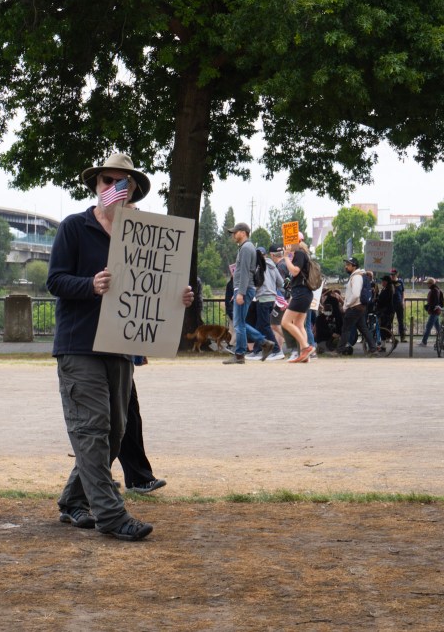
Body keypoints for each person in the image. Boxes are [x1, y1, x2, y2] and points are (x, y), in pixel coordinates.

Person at [47, 152, 194, 542]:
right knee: (92, 431)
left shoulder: (145, 237)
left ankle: (73, 502)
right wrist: (89, 285)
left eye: (121, 183)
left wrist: (176, 298)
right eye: (106, 182)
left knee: (113, 433)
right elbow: (55, 280)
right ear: (96, 187)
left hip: (121, 346)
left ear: (132, 192)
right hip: (80, 347)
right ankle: (111, 515)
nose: (113, 189)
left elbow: (152, 290)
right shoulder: (74, 228)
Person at [222, 223, 274, 364]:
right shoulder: (247, 247)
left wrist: (241, 292)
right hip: (243, 289)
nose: (233, 235)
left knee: (239, 324)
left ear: (243, 233)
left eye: (235, 232)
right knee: (241, 323)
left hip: (244, 289)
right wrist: (237, 291)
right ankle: (263, 343)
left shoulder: (245, 248)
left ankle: (240, 354)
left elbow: (244, 271)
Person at [116, 356, 166, 495]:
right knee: (98, 424)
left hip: (120, 358)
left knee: (130, 418)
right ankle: (95, 478)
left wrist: (137, 353)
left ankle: (137, 478)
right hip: (91, 359)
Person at [280, 240, 313, 363]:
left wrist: (286, 257)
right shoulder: (303, 254)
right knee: (299, 324)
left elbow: (295, 271)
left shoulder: (299, 254)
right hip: (305, 293)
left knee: (285, 322)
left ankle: (306, 347)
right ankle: (305, 355)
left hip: (300, 292)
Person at [337, 257, 378, 355]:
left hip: (354, 307)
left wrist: (346, 305)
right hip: (360, 307)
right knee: (363, 329)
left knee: (346, 328)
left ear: (354, 266)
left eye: (348, 265)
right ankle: (373, 348)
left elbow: (355, 295)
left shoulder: (356, 277)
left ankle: (340, 350)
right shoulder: (357, 276)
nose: (346, 267)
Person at [255, 246, 284, 360]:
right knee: (260, 324)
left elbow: (256, 283)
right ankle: (256, 350)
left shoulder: (257, 266)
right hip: (272, 298)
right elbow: (281, 283)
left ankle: (276, 349)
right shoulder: (273, 266)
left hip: (262, 297)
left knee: (265, 325)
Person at [419, 278, 444, 346]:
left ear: (431, 284)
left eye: (428, 283)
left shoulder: (434, 291)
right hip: (436, 310)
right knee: (437, 327)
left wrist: (429, 307)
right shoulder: (437, 290)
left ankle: (424, 342)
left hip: (434, 311)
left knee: (428, 326)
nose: (427, 285)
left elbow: (434, 302)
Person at [390, 268, 407, 340]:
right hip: (391, 304)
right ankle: (388, 337)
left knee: (401, 321)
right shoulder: (389, 282)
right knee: (389, 321)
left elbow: (403, 292)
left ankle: (402, 337)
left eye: (394, 274)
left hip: (399, 303)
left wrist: (403, 301)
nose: (392, 276)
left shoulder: (400, 282)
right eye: (391, 274)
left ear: (397, 274)